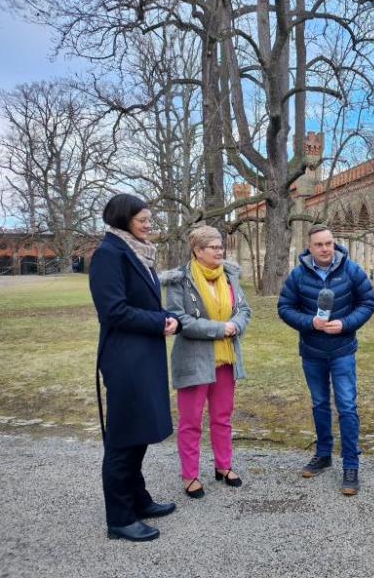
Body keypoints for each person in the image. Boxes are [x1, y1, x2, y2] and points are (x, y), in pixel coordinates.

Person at [89, 194, 180, 542]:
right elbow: (113, 311)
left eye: (148, 218)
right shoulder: (109, 255)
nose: (148, 224)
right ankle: (120, 518)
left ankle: (137, 499)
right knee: (124, 438)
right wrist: (161, 321)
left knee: (139, 431)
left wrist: (165, 321)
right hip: (125, 359)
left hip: (143, 356)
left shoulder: (137, 252)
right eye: (142, 219)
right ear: (123, 219)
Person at [277, 224, 374, 496]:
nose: (325, 249)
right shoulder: (298, 275)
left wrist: (345, 324)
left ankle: (351, 466)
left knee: (346, 406)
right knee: (320, 403)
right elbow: (284, 308)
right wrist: (309, 322)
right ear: (309, 247)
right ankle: (323, 454)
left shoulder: (351, 270)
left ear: (335, 244)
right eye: (319, 244)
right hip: (312, 351)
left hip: (343, 350)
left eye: (329, 243)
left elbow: (368, 303)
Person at [162, 226, 252, 499]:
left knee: (222, 417)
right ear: (197, 251)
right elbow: (180, 319)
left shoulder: (229, 275)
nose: (219, 251)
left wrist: (234, 326)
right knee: (190, 422)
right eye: (213, 247)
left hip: (226, 358)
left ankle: (223, 466)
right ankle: (190, 475)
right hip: (193, 360)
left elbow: (244, 310)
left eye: (220, 246)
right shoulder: (180, 279)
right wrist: (219, 329)